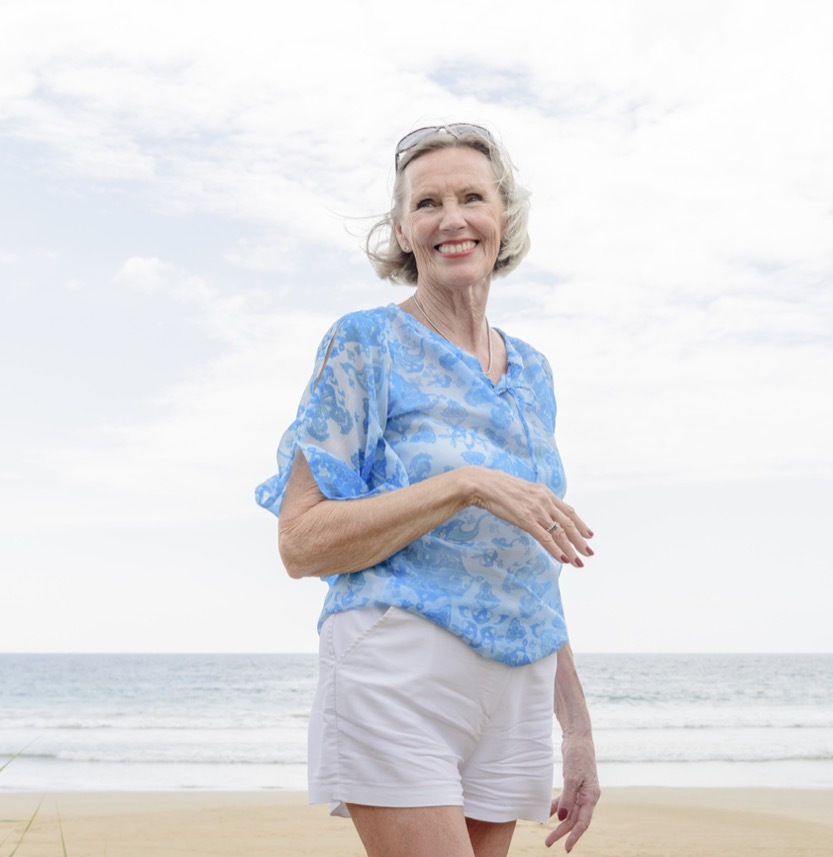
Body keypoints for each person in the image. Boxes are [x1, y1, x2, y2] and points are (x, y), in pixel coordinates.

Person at [255, 123, 599, 857]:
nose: (452, 218)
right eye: (427, 202)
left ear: (502, 217)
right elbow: (300, 541)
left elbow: (533, 559)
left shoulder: (533, 372)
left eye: (471, 197)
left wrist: (578, 729)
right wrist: (464, 484)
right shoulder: (366, 343)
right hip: (400, 663)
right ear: (403, 230)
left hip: (515, 684)